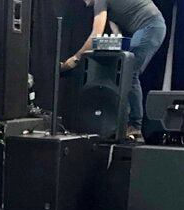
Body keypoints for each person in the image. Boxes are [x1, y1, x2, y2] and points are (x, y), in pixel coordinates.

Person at [62, 0, 167, 139]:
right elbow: (117, 35)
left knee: (130, 74)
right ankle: (121, 123)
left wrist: (76, 58)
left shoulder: (100, 1)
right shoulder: (109, 7)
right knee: (124, 71)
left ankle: (135, 126)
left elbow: (96, 34)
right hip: (151, 26)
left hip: (151, 27)